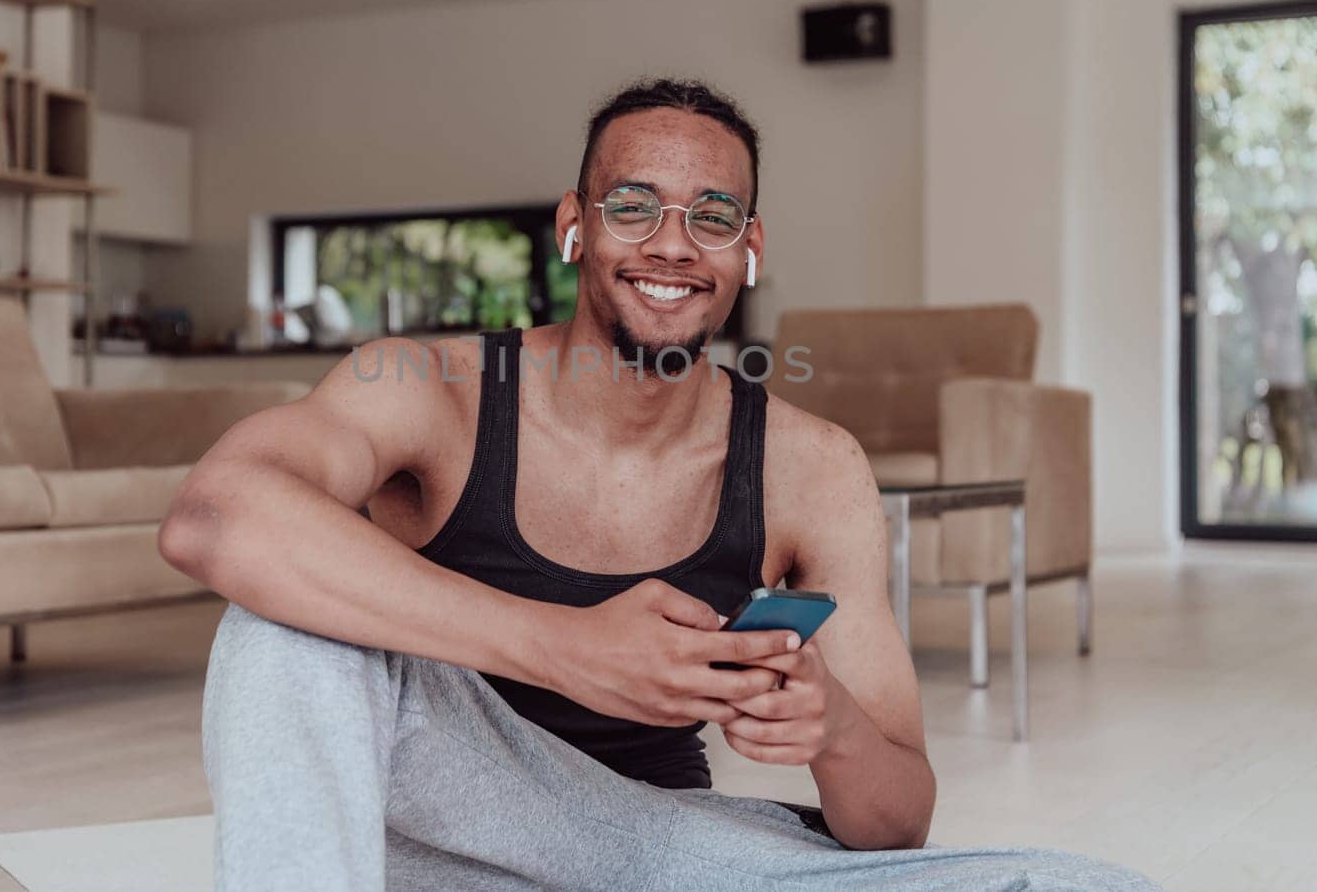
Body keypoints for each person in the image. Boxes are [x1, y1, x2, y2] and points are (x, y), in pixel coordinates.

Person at [157, 78, 1161, 891]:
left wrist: (834, 727)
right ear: (574, 227)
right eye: (632, 206)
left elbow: (897, 820)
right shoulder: (430, 388)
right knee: (282, 619)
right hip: (429, 835)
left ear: (749, 250)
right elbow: (214, 516)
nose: (672, 243)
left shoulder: (808, 466)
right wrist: (567, 648)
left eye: (712, 214)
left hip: (650, 847)